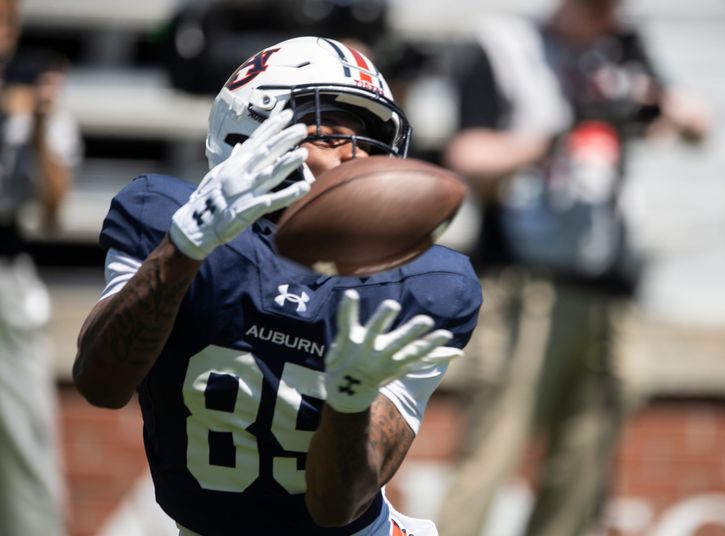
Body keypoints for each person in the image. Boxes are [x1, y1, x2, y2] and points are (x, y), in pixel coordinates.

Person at [73, 36, 482, 536]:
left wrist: (352, 396)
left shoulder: (424, 284)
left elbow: (338, 505)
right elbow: (100, 383)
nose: (356, 157)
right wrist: (184, 249)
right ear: (248, 134)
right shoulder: (165, 219)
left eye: (370, 143)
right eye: (331, 135)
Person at [436, 1, 709, 535]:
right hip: (525, 287)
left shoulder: (621, 53)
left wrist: (648, 92)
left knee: (583, 469)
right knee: (491, 454)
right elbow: (466, 155)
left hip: (608, 292)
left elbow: (697, 130)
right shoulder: (504, 46)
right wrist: (557, 138)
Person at [0, 0, 81, 534]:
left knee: (27, 448)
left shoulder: (31, 107)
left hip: (5, 276)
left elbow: (53, 210)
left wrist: (36, 124)